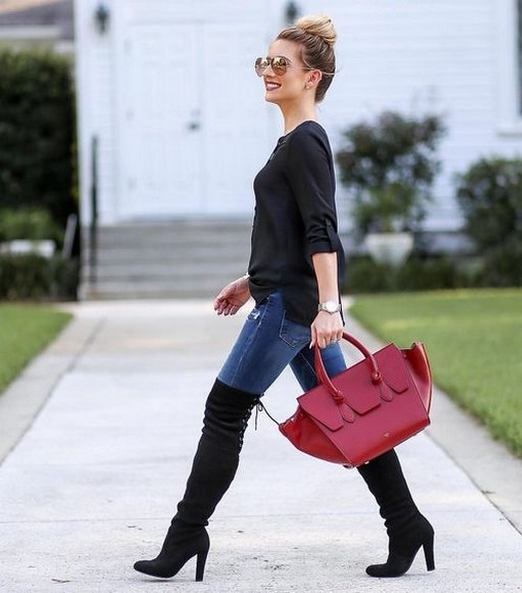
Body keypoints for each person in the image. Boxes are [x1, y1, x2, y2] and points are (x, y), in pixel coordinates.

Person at [133, 14, 435, 582]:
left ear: (312, 77)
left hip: (289, 312)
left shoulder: (306, 142)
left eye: (281, 63)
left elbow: (322, 230)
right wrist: (252, 280)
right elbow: (290, 231)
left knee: (224, 412)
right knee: (353, 416)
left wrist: (329, 307)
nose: (268, 71)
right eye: (264, 61)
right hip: (285, 300)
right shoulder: (294, 141)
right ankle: (407, 523)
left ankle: (186, 535)